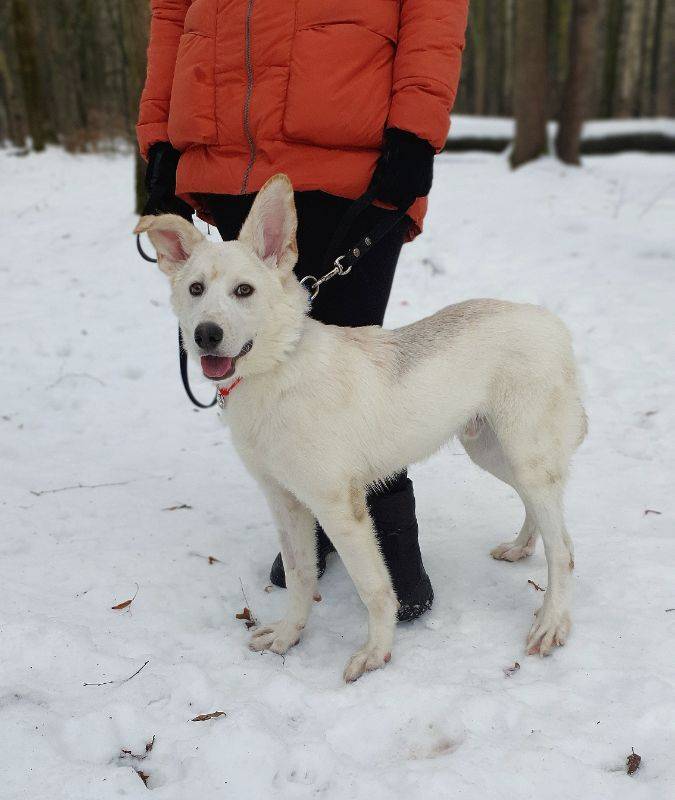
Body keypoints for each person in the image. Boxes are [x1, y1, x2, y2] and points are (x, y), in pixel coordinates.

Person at [138, 0, 469, 621]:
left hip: (352, 150)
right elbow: (171, 17)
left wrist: (416, 128)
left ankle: (391, 541)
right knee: (260, 365)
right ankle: (312, 523)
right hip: (227, 152)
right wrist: (160, 142)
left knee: (357, 375)